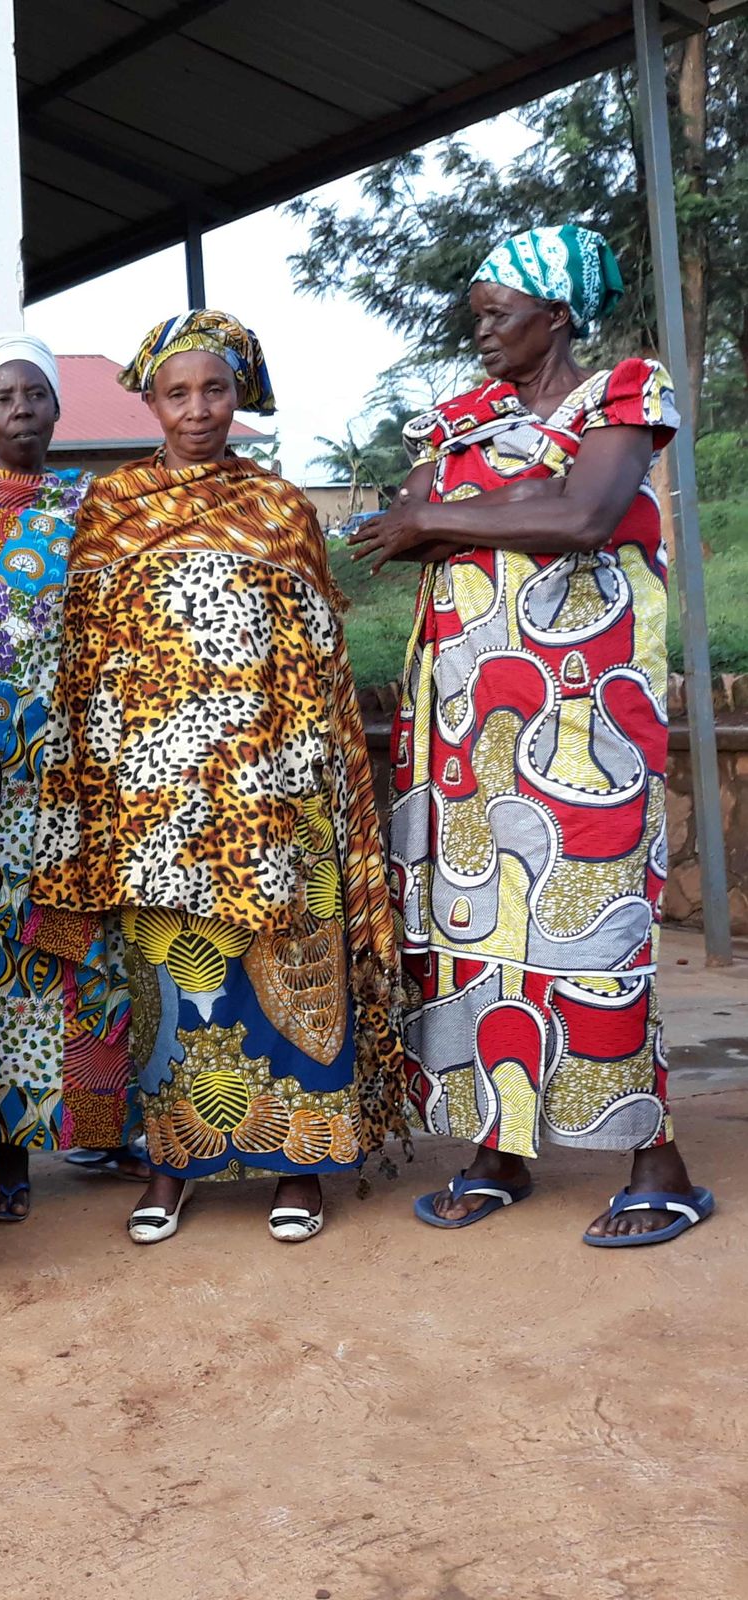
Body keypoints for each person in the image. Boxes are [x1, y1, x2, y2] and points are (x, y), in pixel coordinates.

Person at [351, 226, 711, 1246]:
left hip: (584, 719)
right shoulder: (461, 417)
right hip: (465, 719)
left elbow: (588, 517)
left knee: (594, 933)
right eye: (476, 315)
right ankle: (497, 1149)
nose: (480, 331)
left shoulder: (623, 394)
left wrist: (455, 517)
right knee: (472, 934)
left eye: (496, 314)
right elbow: (397, 524)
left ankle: (657, 1162)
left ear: (554, 316)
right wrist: (513, 503)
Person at [31, 311, 403, 1246]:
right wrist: (99, 797)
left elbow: (316, 658)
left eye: (214, 390)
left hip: (274, 794)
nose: (196, 409)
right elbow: (87, 665)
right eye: (177, 393)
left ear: (241, 397)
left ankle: (299, 1165)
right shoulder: (112, 509)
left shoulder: (281, 509)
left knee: (292, 971)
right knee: (170, 988)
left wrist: (307, 780)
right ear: (151, 402)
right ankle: (171, 1165)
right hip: (155, 806)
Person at [0, 333, 142, 1223]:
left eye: (33, 395)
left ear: (57, 406)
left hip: (87, 776)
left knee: (92, 957)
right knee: (4, 966)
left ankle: (102, 1130)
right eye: (2, 398)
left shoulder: (97, 508)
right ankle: (10, 1155)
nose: (20, 409)